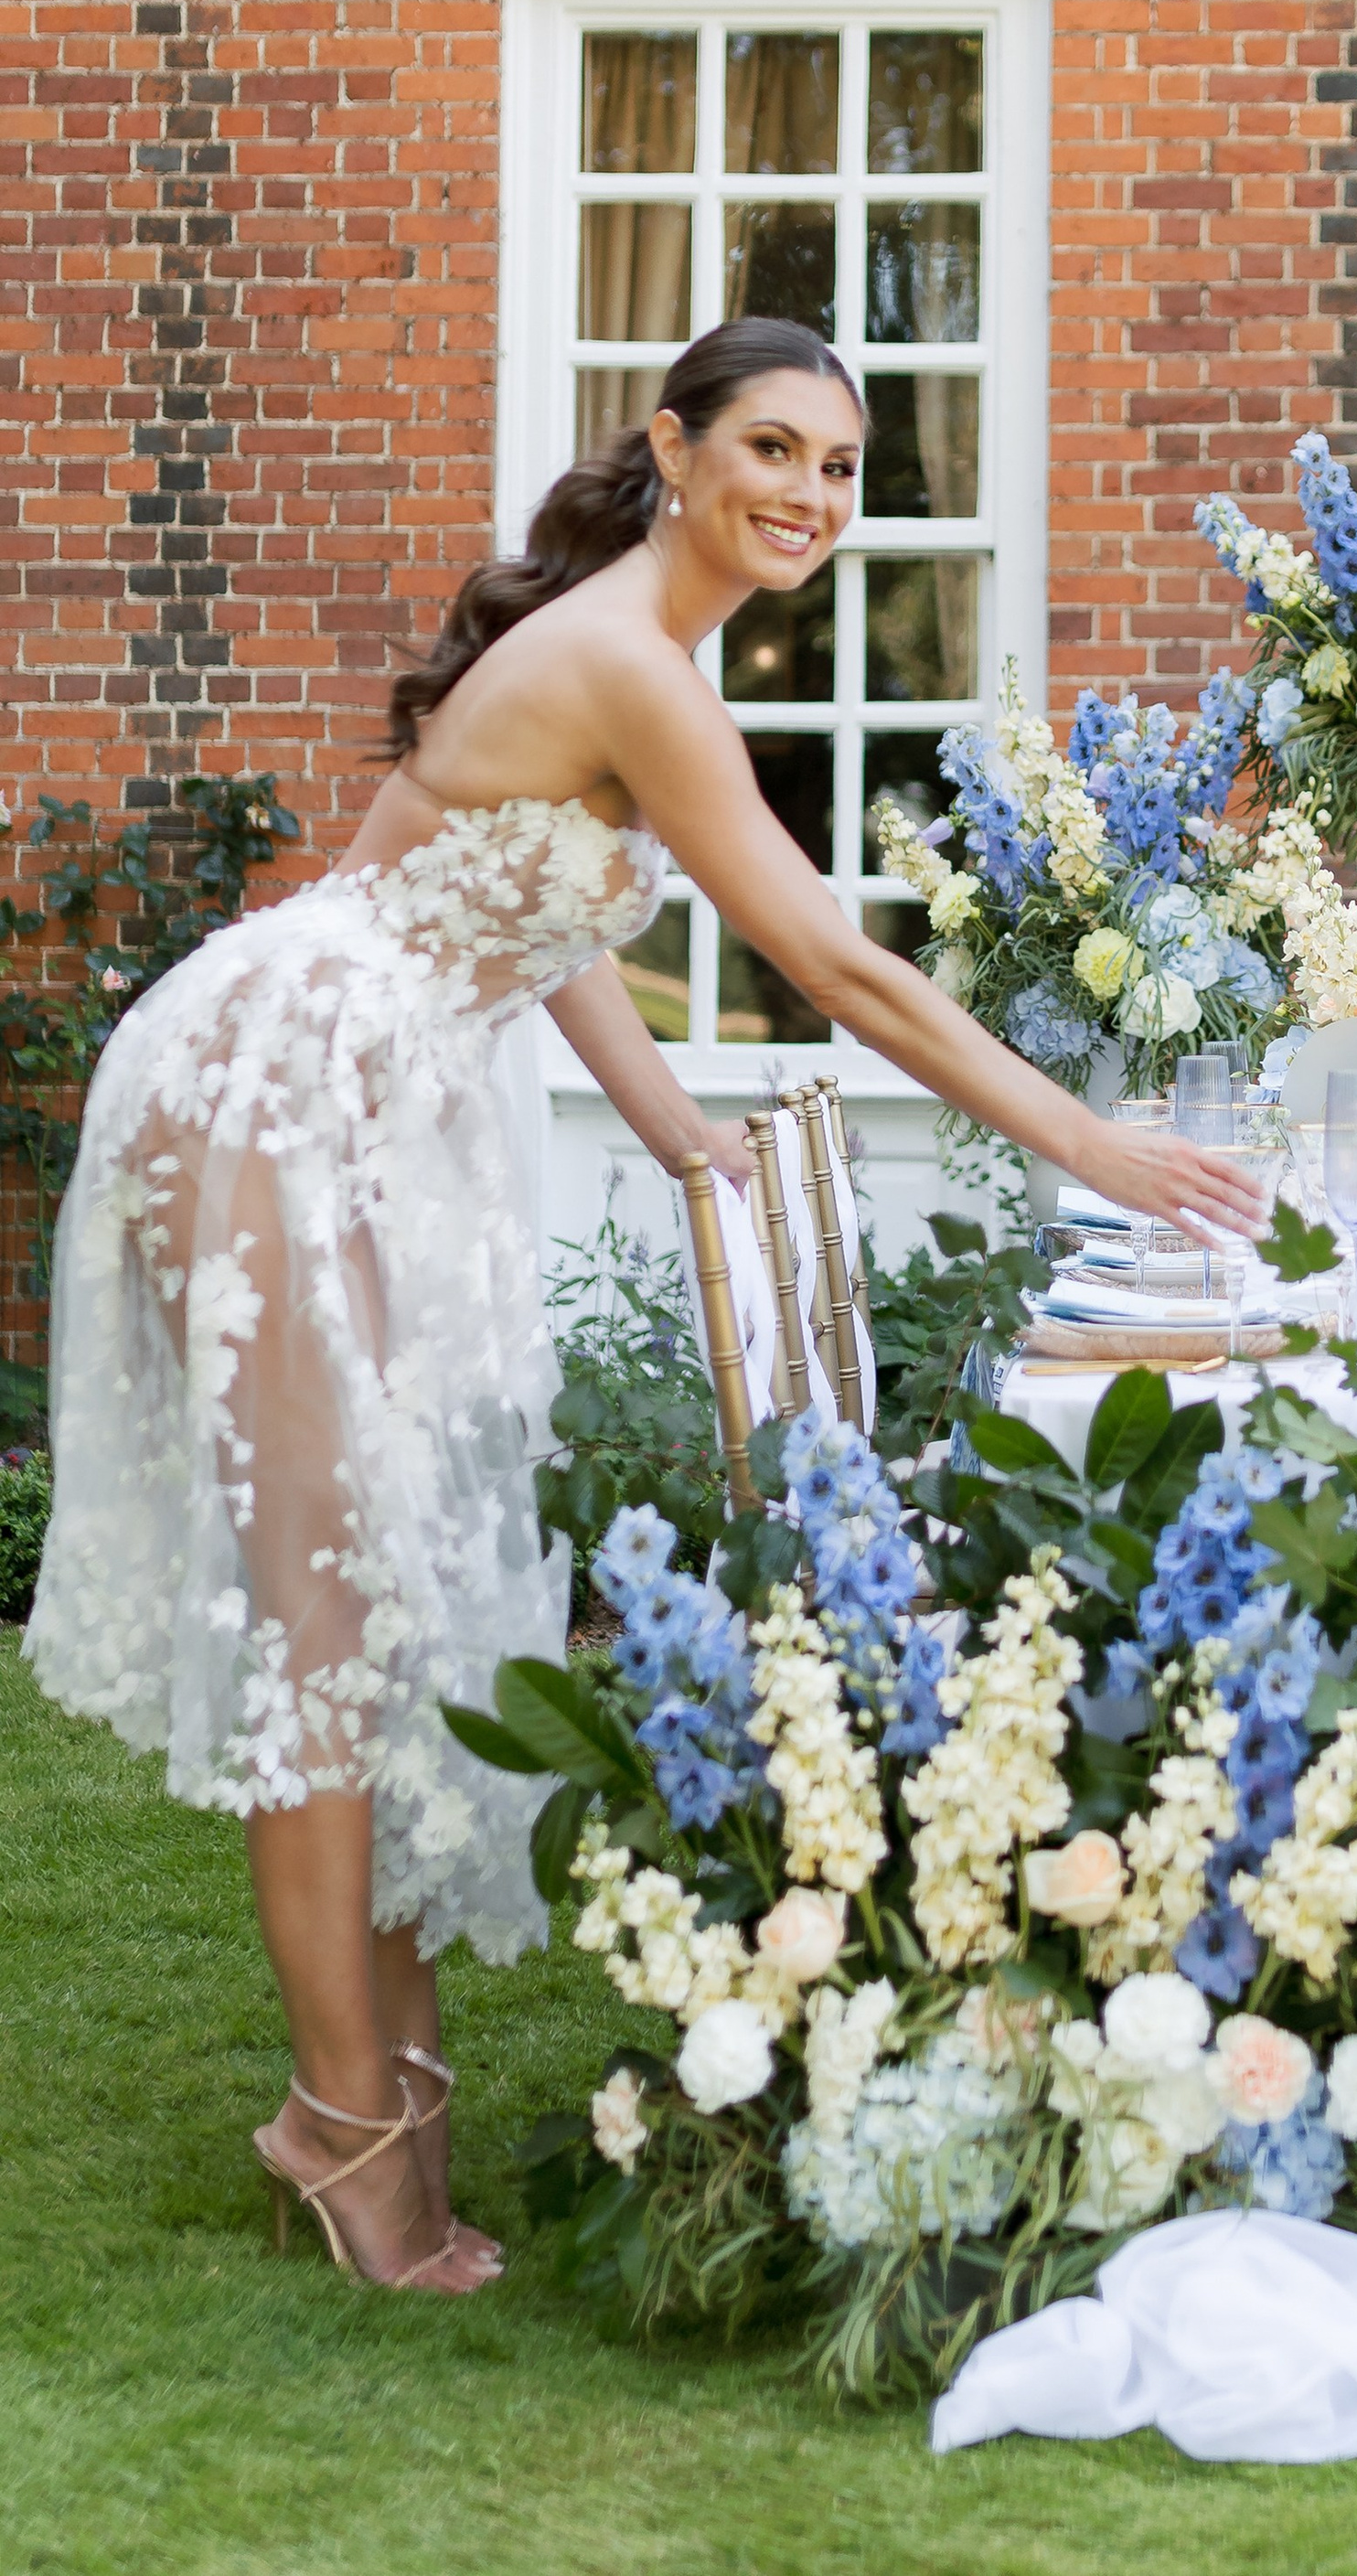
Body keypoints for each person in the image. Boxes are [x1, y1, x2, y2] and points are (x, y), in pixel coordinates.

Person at [27, 320, 1266, 2295]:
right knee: (330, 1618)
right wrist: (1094, 1147)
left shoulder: (636, 661)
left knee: (403, 1585)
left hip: (367, 1081)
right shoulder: (624, 653)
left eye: (843, 466)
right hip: (281, 1090)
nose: (808, 492)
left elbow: (530, 905)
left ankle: (381, 2081)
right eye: (771, 447)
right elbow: (835, 969)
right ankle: (343, 2132)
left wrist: (676, 1126)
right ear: (672, 452)